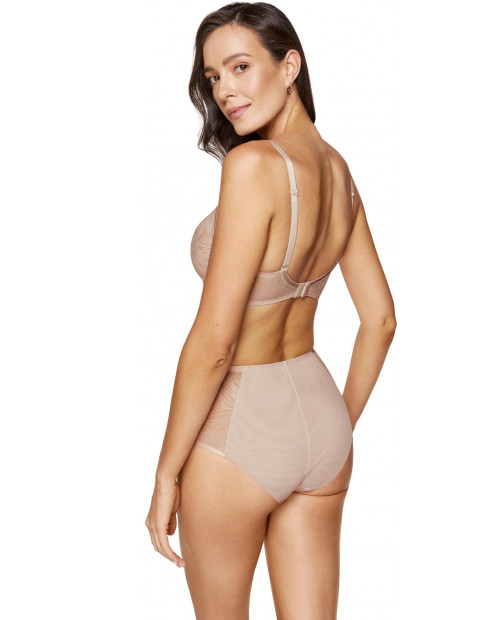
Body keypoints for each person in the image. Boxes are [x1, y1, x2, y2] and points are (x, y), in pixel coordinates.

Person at [146, 2, 396, 617]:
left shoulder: (252, 165)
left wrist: (166, 473)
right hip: (320, 416)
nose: (224, 91)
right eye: (212, 77)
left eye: (239, 66)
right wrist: (338, 426)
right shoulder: (339, 174)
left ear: (290, 67)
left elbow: (214, 345)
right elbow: (381, 320)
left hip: (241, 431)